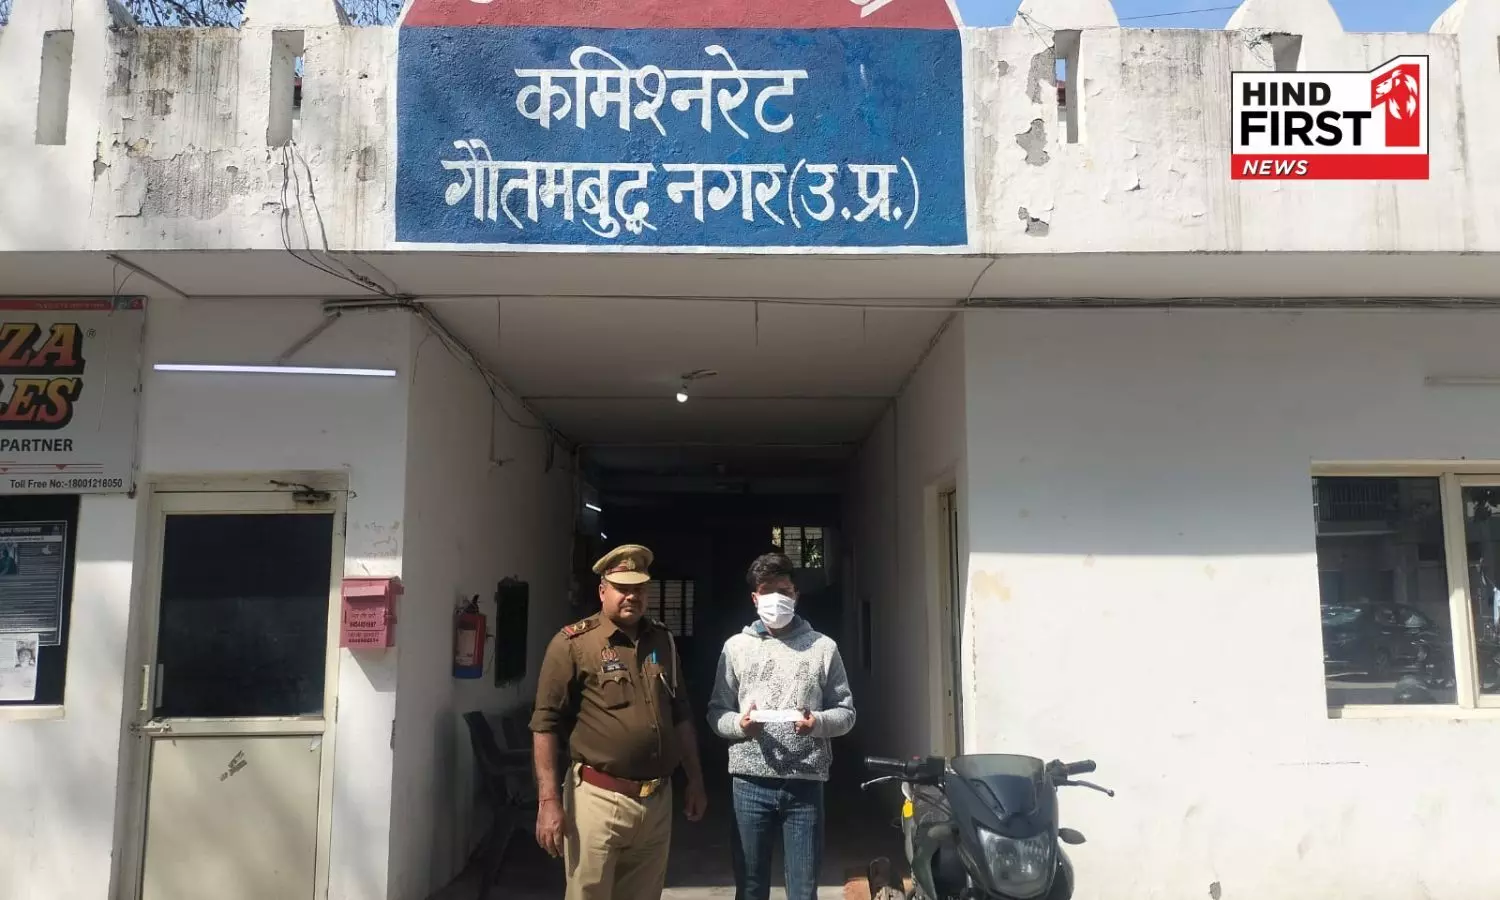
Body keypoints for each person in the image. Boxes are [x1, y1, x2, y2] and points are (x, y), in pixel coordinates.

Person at [530, 543, 709, 900]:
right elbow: (544, 724)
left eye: (639, 588)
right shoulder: (573, 644)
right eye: (622, 588)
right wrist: (548, 800)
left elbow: (681, 714)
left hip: (656, 801)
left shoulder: (662, 640)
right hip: (598, 798)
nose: (632, 596)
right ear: (602, 591)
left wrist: (695, 779)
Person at [706, 552, 857, 900]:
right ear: (754, 598)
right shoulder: (736, 648)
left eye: (784, 591)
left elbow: (846, 713)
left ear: (796, 595)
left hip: (805, 784)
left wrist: (817, 723)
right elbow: (716, 712)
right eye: (767, 591)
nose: (777, 599)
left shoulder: (823, 648)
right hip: (749, 783)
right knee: (751, 886)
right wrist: (740, 725)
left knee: (803, 890)